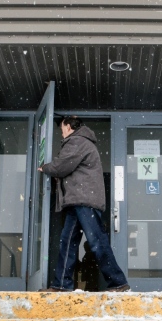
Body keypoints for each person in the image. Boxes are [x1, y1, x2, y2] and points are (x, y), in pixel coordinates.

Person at [38, 116, 129, 293]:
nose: (61, 132)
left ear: (70, 126)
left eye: (62, 128)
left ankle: (118, 282)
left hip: (85, 201)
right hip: (78, 200)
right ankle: (62, 284)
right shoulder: (81, 142)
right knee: (68, 242)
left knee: (96, 241)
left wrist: (45, 167)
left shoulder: (77, 141)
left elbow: (62, 166)